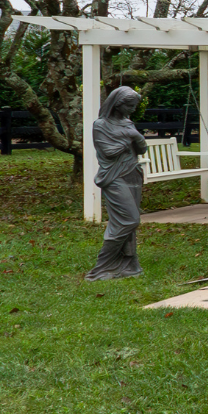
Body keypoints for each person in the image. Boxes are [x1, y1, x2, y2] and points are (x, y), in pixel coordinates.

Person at [88, 86, 147, 280]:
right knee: (129, 220)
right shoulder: (100, 125)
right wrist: (128, 139)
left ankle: (128, 265)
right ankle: (102, 266)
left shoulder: (127, 122)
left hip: (132, 173)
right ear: (117, 103)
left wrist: (136, 137)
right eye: (129, 105)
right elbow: (108, 152)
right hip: (113, 176)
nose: (132, 109)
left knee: (125, 222)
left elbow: (141, 149)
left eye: (134, 106)